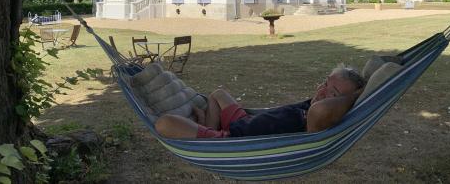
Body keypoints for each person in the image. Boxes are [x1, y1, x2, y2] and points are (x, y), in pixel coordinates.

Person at [155, 65, 365, 139]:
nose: (322, 91)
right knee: (218, 94)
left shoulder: (316, 119)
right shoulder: (313, 103)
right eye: (325, 83)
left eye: (333, 93)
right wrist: (334, 92)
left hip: (235, 140)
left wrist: (355, 96)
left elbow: (320, 111)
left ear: (341, 103)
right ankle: (207, 128)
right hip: (245, 121)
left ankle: (210, 135)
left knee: (164, 123)